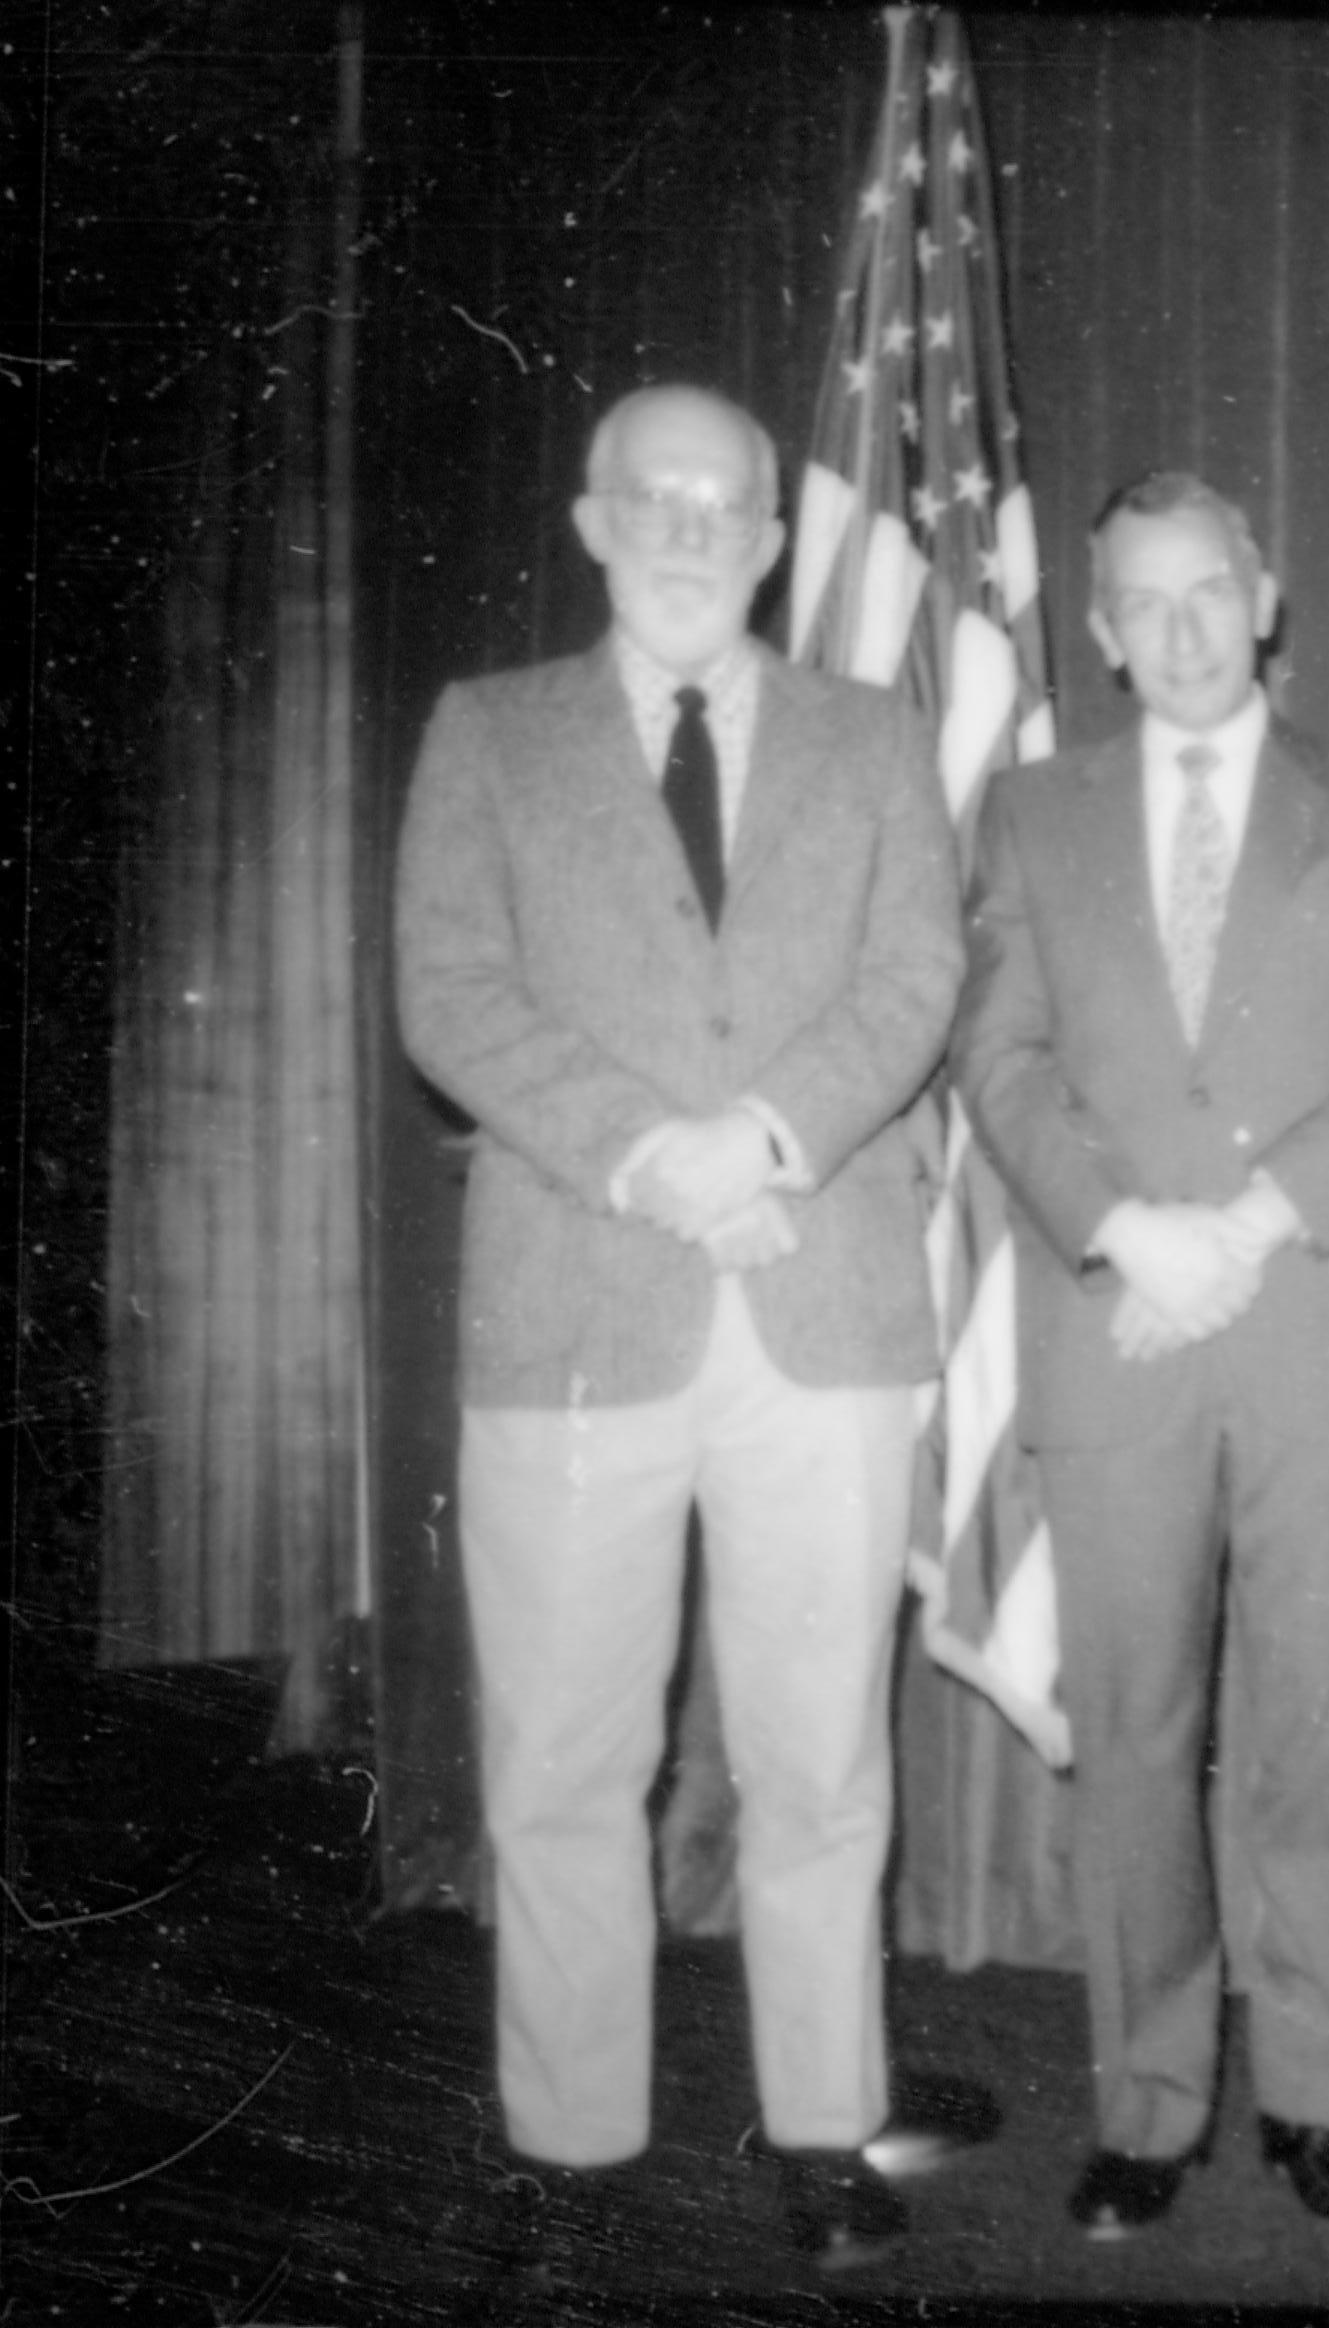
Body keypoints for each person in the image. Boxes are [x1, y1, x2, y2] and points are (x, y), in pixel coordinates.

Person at [395, 382, 962, 2267]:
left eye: (730, 503)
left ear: (777, 541)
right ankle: (572, 2151)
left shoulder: (878, 739)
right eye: (660, 498)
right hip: (576, 1302)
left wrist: (768, 1137)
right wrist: (657, 1157)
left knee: (819, 1759)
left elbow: (917, 978)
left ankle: (821, 2122)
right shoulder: (490, 733)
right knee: (561, 1756)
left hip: (823, 1301)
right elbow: (451, 996)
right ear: (592, 521)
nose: (696, 529)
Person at [949, 472, 1329, 2239]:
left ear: (1268, 597)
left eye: (1206, 593)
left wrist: (1238, 1231)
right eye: (1139, 604)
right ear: (1095, 630)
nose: (1177, 631)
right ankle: (1148, 2104)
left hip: (1312, 1328)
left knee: (1320, 1739)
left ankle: (1326, 2095)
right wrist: (1123, 1231)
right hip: (1114, 1336)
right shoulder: (1027, 815)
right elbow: (1001, 1061)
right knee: (1139, 1744)